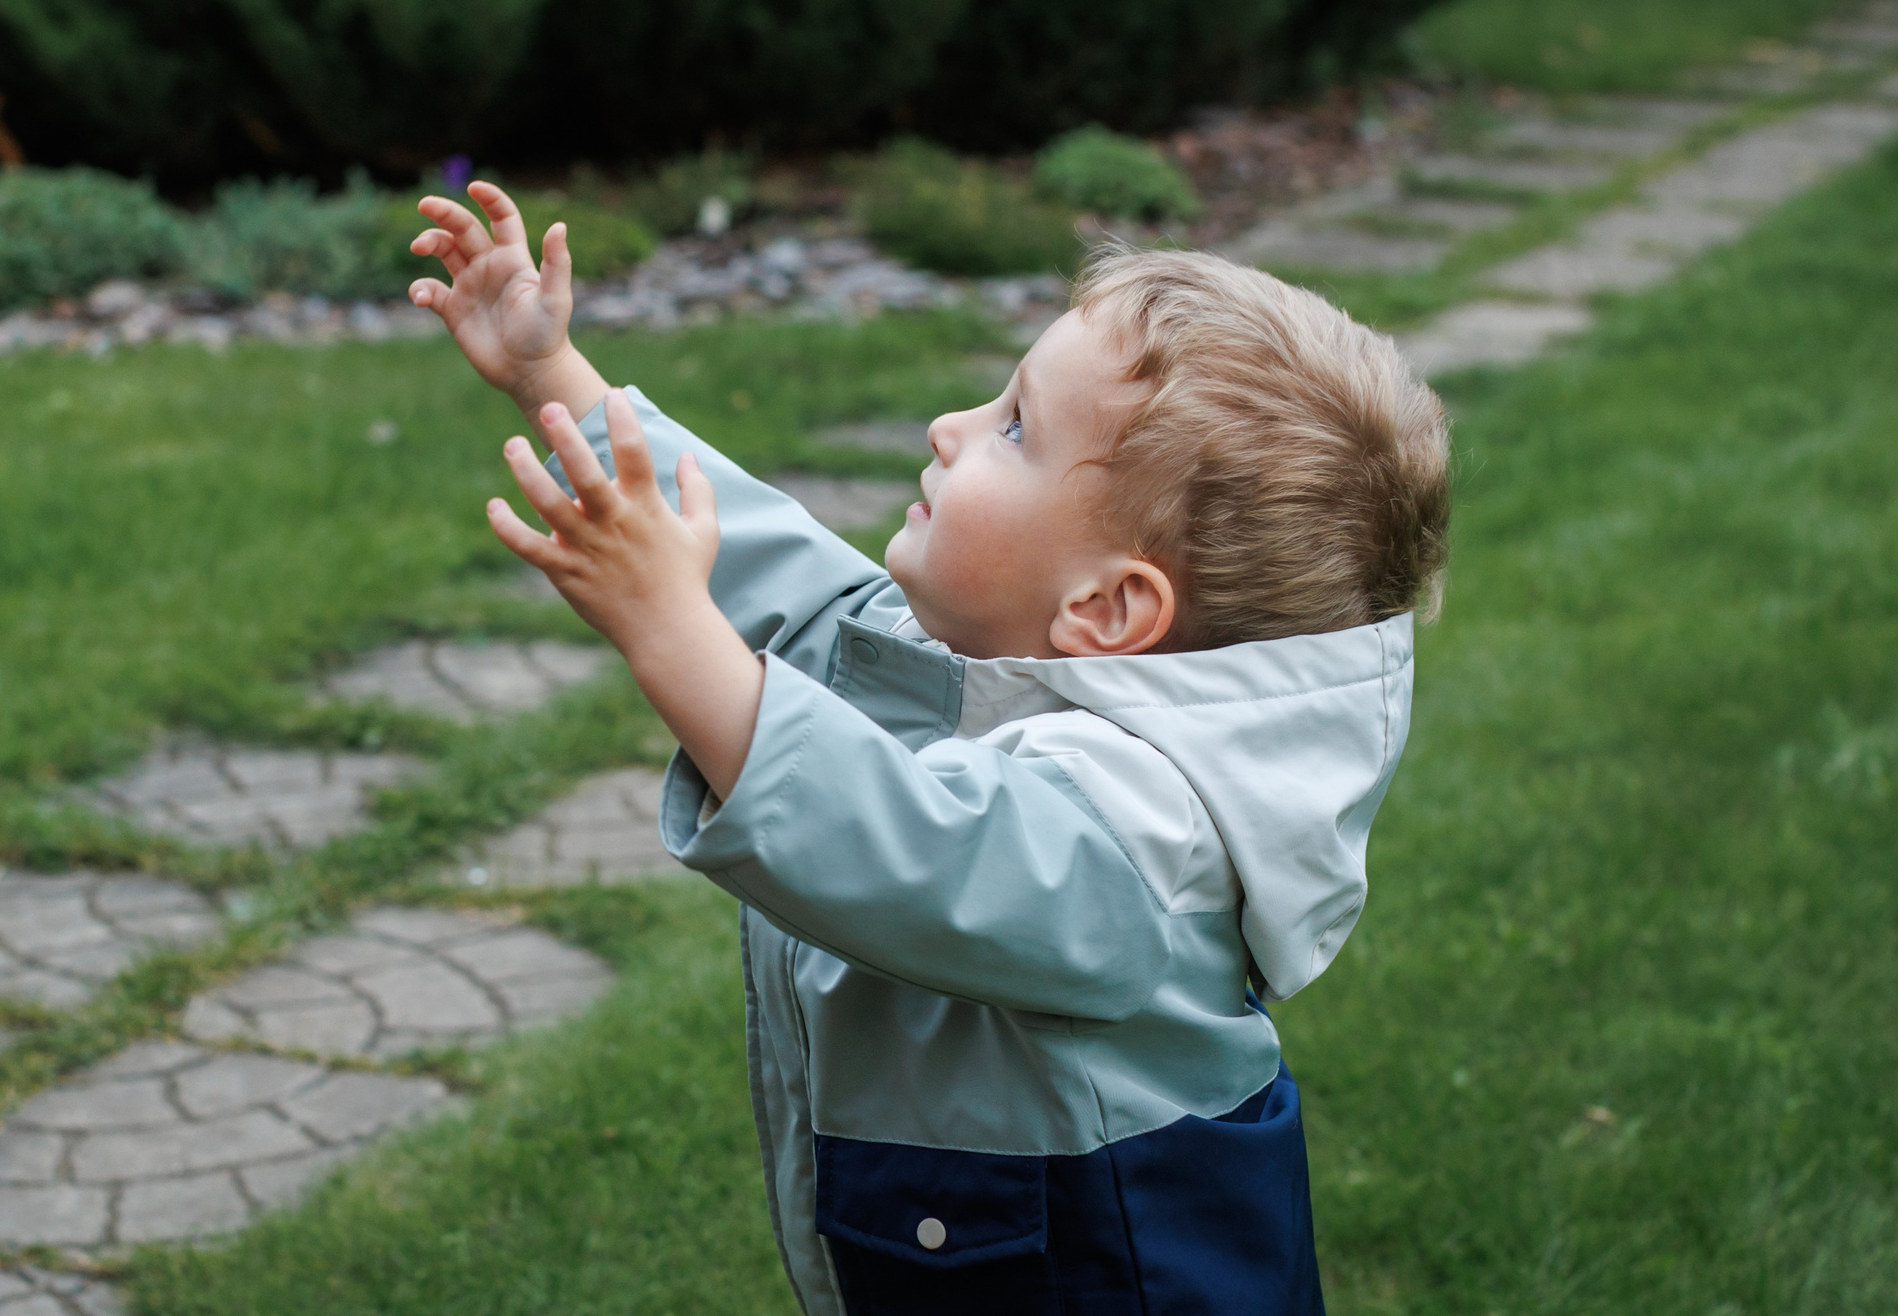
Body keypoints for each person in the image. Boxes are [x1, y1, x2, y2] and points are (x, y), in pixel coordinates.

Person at [409, 180, 1452, 1316]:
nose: (949, 427)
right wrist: (552, 374)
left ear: (1105, 609)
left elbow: (908, 849)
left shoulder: (1139, 828)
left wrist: (666, 626)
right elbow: (786, 582)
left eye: (1014, 428)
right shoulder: (984, 663)